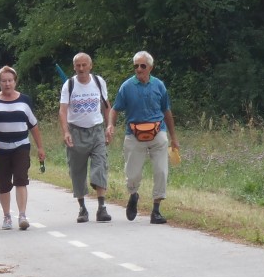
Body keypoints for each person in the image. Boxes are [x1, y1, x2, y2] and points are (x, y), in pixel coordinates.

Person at [109, 51, 180, 224]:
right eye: (136, 66)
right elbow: (115, 109)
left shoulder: (159, 86)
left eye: (142, 66)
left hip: (158, 133)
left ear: (150, 67)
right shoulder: (126, 86)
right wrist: (110, 125)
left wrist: (173, 137)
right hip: (134, 135)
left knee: (161, 171)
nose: (139, 69)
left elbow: (167, 111)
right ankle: (133, 195)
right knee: (132, 174)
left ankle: (156, 210)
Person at [0, 66, 46, 230]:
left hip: (21, 146)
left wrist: (40, 148)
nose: (7, 84)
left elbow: (34, 125)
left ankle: (22, 215)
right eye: (4, 81)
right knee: (3, 183)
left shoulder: (24, 101)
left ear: (15, 82)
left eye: (10, 80)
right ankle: (7, 216)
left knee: (21, 179)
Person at [58, 52, 113, 223]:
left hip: (96, 130)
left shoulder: (99, 82)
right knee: (77, 170)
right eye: (78, 65)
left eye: (84, 65)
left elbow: (106, 106)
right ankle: (82, 208)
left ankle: (101, 208)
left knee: (100, 166)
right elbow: (63, 110)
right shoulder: (69, 85)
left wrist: (110, 125)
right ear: (74, 67)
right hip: (76, 131)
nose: (81, 68)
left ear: (90, 65)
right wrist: (66, 131)